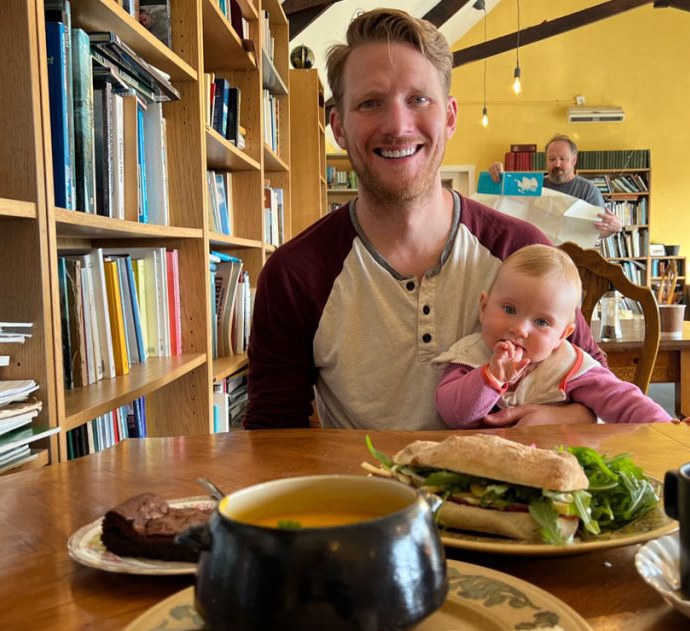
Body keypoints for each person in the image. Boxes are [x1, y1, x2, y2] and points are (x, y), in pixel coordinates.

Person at [244, 9, 606, 430]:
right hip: (366, 494)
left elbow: (596, 384)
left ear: (449, 117)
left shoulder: (519, 250)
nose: (398, 126)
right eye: (370, 103)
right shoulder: (294, 275)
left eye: (418, 99)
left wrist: (559, 417)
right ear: (338, 127)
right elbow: (272, 437)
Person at [434, 244, 675, 428]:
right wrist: (489, 378)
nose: (520, 329)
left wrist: (666, 429)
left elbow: (623, 400)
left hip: (555, 468)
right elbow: (452, 414)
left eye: (541, 322)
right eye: (509, 309)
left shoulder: (568, 365)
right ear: (484, 307)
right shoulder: (468, 355)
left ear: (563, 335)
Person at [489, 135, 622, 238]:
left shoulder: (588, 191)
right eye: (552, 159)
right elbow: (504, 206)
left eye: (563, 158)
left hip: (573, 259)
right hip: (538, 258)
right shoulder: (534, 185)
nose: (557, 164)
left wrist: (614, 228)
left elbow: (597, 231)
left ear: (574, 160)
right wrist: (497, 176)